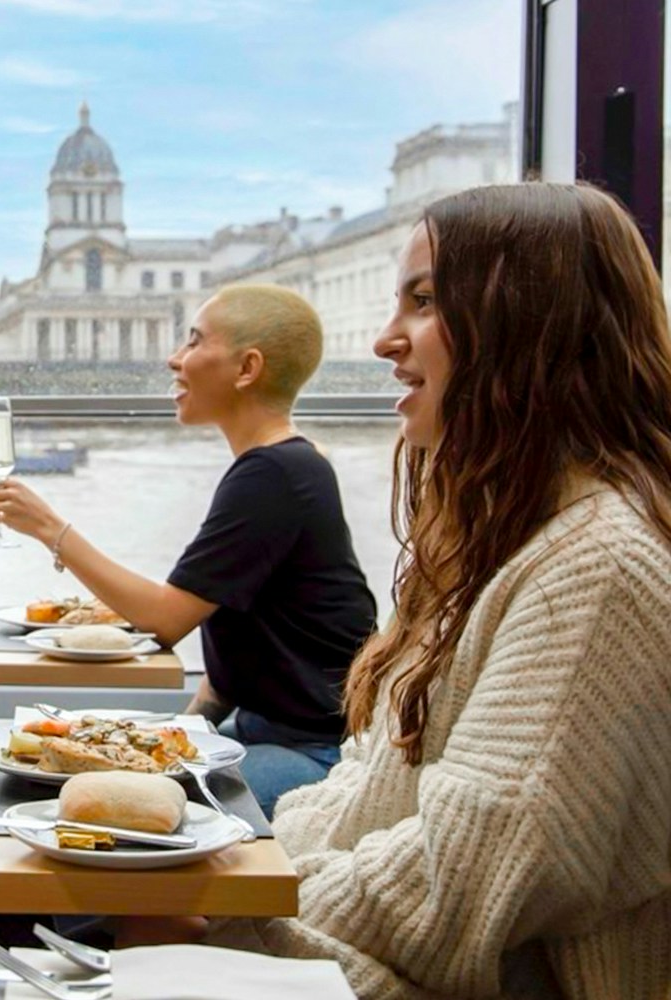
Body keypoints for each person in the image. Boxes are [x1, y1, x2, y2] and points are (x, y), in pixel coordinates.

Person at [205, 183, 671, 998]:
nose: (386, 339)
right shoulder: (498, 539)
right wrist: (268, 877)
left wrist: (234, 913)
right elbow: (367, 779)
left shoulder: (599, 570)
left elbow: (457, 889)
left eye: (424, 301)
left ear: (532, 326)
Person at [0, 284, 376, 815]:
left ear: (247, 368)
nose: (174, 358)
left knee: (125, 809)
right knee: (98, 771)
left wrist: (51, 529)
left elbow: (164, 619)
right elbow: (230, 655)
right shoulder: (283, 467)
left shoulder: (274, 475)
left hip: (312, 753)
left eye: (194, 341)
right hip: (268, 730)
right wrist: (177, 731)